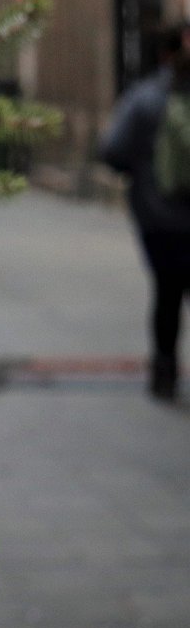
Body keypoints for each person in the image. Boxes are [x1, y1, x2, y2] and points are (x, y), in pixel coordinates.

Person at [100, 24, 190, 400]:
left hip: (160, 218)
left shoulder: (145, 97)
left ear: (162, 55)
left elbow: (112, 151)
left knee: (168, 295)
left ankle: (164, 371)